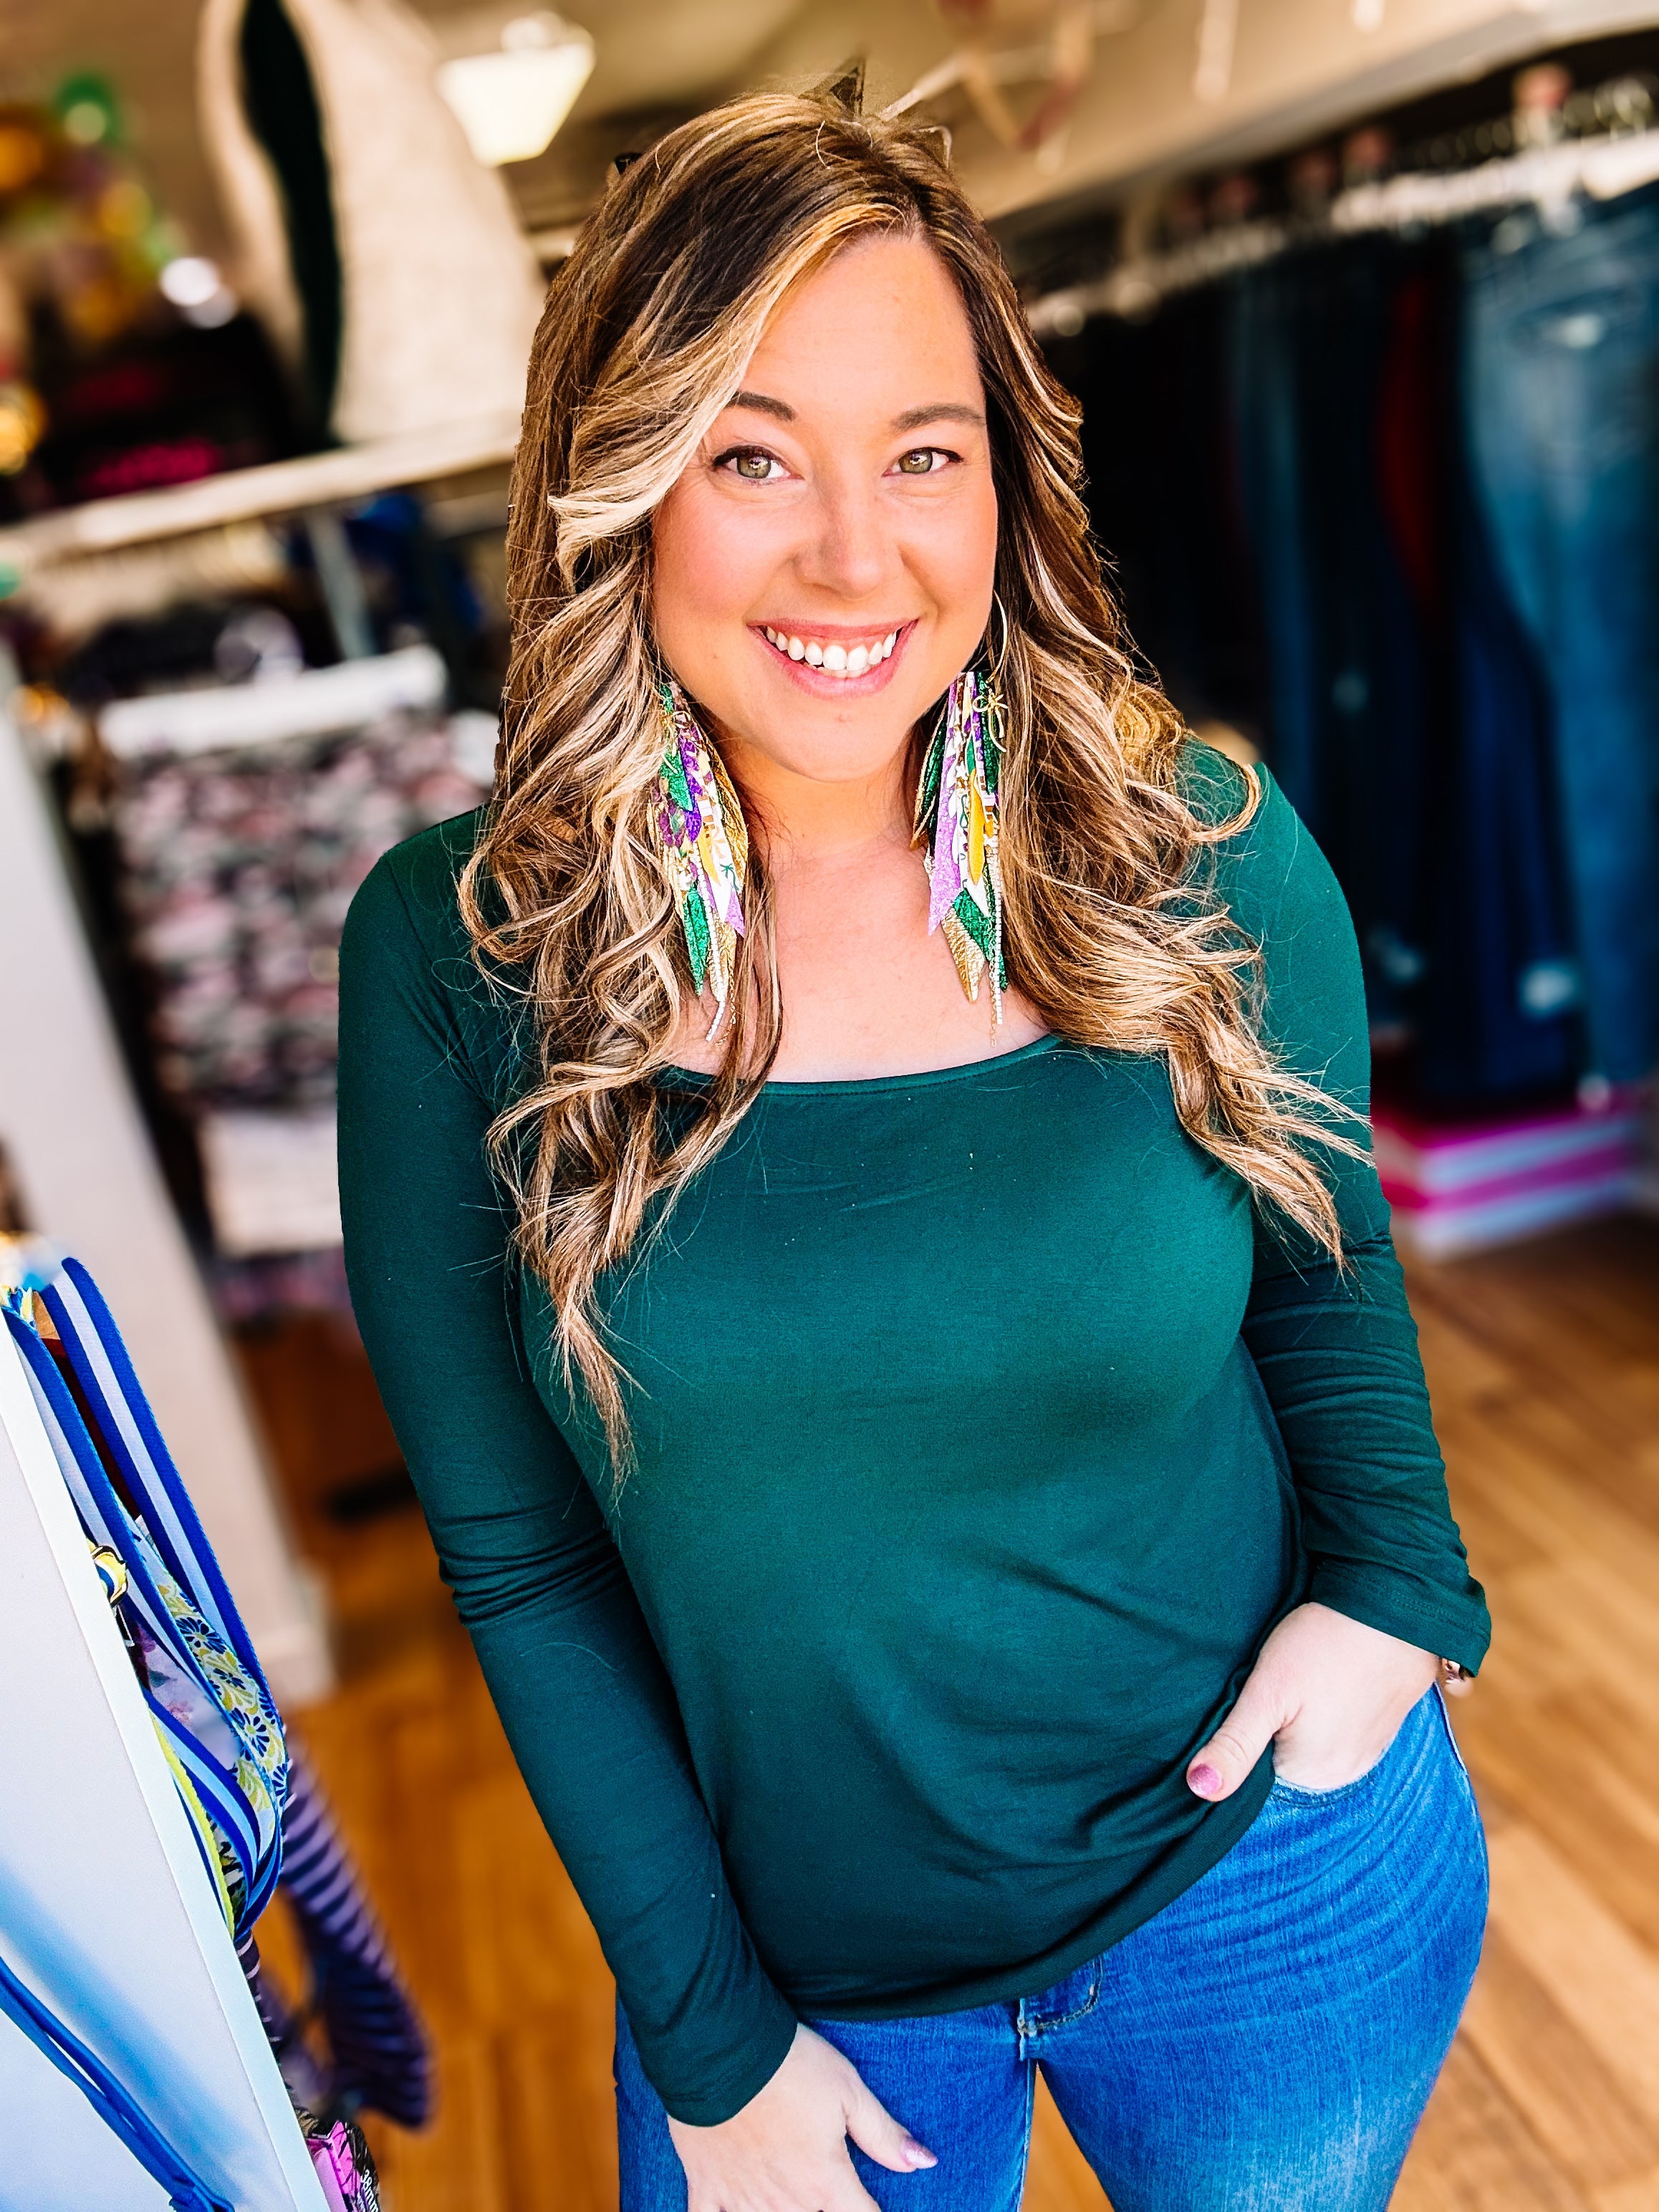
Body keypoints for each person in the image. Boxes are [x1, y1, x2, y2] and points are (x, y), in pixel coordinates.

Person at [338, 87, 1489, 2212]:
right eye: (753, 455)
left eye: (924, 456)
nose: (855, 559)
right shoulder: (462, 951)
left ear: (1006, 485)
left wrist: (1393, 1601)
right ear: (619, 483)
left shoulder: (1202, 858)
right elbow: (520, 1553)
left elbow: (1324, 1280)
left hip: (1275, 1892)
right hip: (797, 2001)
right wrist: (708, 2044)